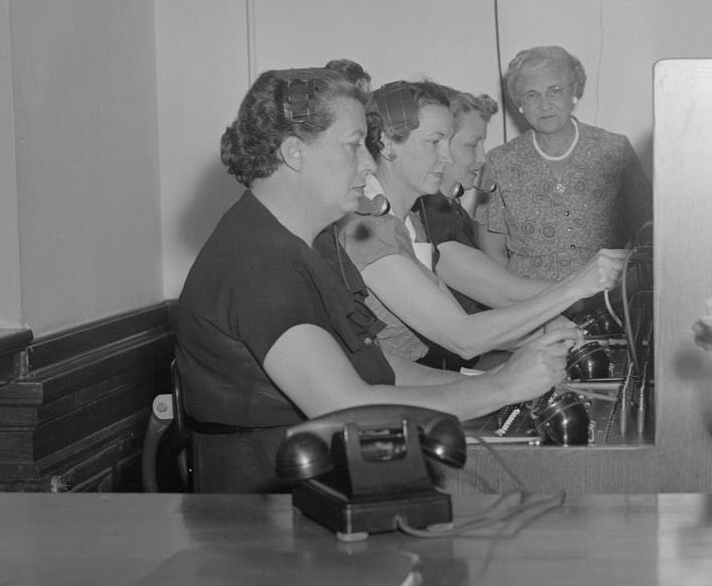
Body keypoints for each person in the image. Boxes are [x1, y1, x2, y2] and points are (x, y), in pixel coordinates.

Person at [174, 65, 576, 493]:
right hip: (265, 509)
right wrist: (501, 387)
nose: (368, 164)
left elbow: (376, 368)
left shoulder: (307, 245)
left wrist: (498, 383)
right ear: (295, 152)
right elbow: (343, 405)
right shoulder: (257, 262)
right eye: (352, 147)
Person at [320, 79, 628, 368]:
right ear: (387, 144)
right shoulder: (368, 228)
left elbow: (455, 320)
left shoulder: (409, 220)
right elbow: (463, 337)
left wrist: (542, 334)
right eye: (435, 142)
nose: (446, 157)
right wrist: (576, 287)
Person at [475, 45, 652, 283]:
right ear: (519, 103)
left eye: (555, 91)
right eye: (531, 95)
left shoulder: (614, 150)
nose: (544, 105)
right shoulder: (499, 162)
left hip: (609, 302)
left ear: (574, 92)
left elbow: (648, 233)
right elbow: (492, 255)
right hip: (533, 306)